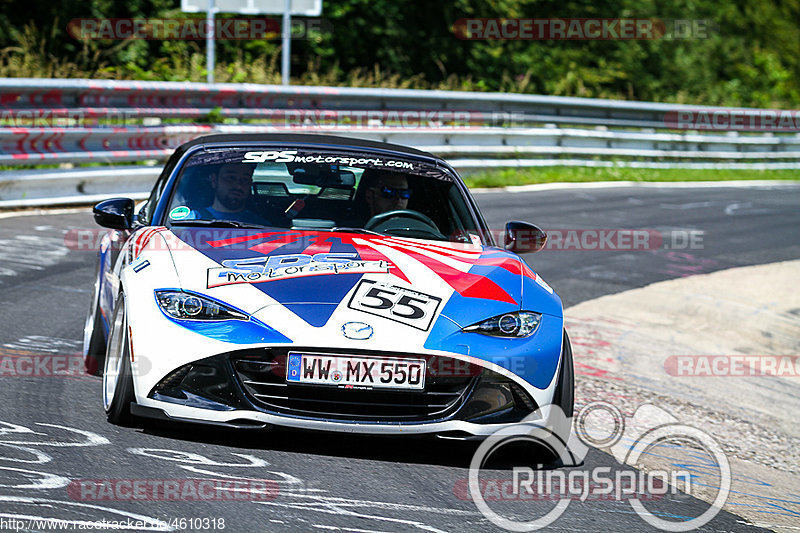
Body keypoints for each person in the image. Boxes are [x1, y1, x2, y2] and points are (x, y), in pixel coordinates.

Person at [190, 163, 270, 225]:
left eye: (245, 179)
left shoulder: (262, 226)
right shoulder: (192, 220)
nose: (238, 186)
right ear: (214, 180)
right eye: (231, 177)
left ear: (250, 184)